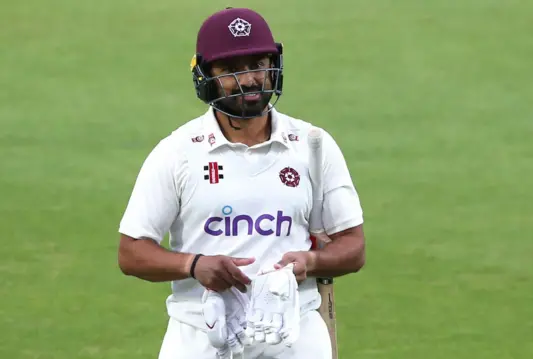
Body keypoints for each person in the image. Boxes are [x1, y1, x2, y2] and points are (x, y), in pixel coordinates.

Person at [117, 7, 366, 359]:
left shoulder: (313, 145)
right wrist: (194, 265)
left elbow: (353, 247)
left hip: (294, 337)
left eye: (259, 64)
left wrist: (310, 262)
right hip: (199, 337)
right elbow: (131, 253)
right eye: (231, 70)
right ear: (206, 76)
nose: (250, 79)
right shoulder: (177, 153)